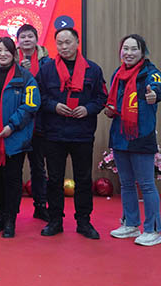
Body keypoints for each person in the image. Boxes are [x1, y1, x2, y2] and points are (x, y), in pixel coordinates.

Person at [37, 28, 107, 239]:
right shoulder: (47, 70)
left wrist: (88, 109)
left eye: (68, 42)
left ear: (77, 42)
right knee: (54, 180)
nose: (64, 47)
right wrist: (53, 106)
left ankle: (83, 222)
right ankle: (55, 221)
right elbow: (38, 96)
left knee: (83, 179)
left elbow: (101, 97)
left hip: (82, 133)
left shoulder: (93, 70)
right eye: (60, 43)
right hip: (54, 133)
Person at [0, 37, 40, 238]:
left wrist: (12, 126)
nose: (2, 54)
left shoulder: (25, 77)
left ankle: (11, 219)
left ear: (14, 54)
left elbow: (31, 105)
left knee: (12, 180)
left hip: (14, 139)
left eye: (7, 51)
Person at [105, 34, 161, 246]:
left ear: (142, 52)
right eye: (125, 48)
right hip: (120, 135)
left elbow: (157, 88)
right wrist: (110, 110)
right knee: (126, 183)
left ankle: (153, 229)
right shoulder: (118, 74)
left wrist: (154, 95)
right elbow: (114, 102)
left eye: (134, 49)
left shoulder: (151, 73)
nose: (128, 53)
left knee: (146, 185)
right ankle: (130, 224)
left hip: (141, 135)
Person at [16, 24, 51, 221]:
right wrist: (20, 71)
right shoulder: (10, 60)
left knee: (38, 167)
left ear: (37, 39)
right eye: (23, 37)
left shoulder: (47, 62)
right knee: (14, 168)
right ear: (18, 41)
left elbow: (48, 90)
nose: (26, 40)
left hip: (40, 124)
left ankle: (40, 205)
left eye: (30, 36)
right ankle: (11, 210)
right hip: (18, 124)